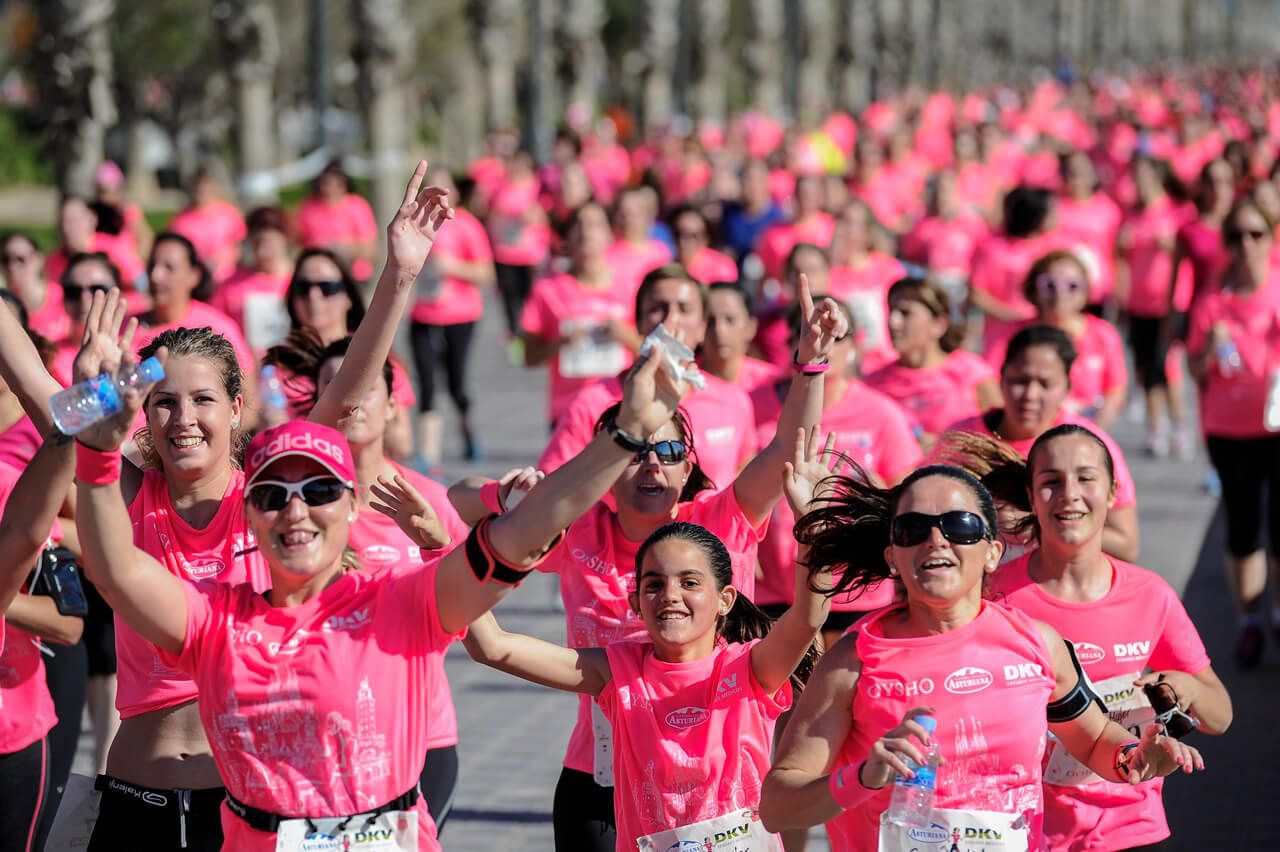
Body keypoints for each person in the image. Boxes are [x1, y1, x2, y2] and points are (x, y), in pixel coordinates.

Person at [74, 285, 697, 851]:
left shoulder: (399, 604)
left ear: (353, 505)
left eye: (319, 490)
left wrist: (625, 435)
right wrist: (97, 440)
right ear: (251, 517)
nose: (296, 510)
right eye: (272, 495)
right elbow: (115, 569)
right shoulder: (219, 623)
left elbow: (524, 529)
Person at [53, 163, 453, 851]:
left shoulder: (269, 497)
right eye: (164, 402)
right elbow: (54, 418)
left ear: (236, 409)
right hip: (135, 800)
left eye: (202, 400)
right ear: (143, 413)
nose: (183, 418)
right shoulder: (129, 493)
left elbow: (343, 400)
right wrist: (89, 394)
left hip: (249, 803)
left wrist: (399, 274)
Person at [459, 276, 844, 851]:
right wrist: (502, 502)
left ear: (689, 468)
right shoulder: (579, 529)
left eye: (668, 452)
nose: (651, 466)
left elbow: (790, 452)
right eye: (636, 451)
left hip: (716, 783)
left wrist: (810, 365)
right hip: (601, 773)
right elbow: (461, 505)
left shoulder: (720, 518)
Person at [758, 464, 1204, 850]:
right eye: (913, 529)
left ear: (992, 552)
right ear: (893, 556)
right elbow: (777, 806)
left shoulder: (1037, 643)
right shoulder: (854, 661)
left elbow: (1092, 740)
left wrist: (1136, 757)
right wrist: (862, 777)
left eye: (960, 526)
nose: (936, 539)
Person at [462, 493, 829, 851]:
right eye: (654, 584)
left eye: (689, 582)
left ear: (725, 600)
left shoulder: (749, 667)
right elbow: (493, 647)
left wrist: (810, 526)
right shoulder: (617, 671)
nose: (670, 594)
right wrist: (447, 553)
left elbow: (808, 617)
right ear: (636, 603)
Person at [965, 424, 1232, 849]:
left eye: (1085, 478)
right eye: (1051, 481)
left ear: (1111, 494)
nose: (1069, 493)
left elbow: (1220, 716)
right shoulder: (992, 597)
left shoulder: (1150, 595)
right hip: (1026, 829)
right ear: (1031, 497)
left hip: (1132, 824)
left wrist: (1185, 687)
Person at [751, 299, 922, 650]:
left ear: (854, 346)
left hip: (857, 588)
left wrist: (879, 495)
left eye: (835, 337)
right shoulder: (753, 405)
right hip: (772, 586)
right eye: (810, 334)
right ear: (791, 345)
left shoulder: (881, 413)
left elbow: (908, 496)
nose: (824, 345)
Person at [537, 265, 758, 493]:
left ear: (702, 327)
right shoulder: (592, 402)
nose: (671, 319)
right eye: (657, 308)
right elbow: (551, 488)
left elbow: (745, 483)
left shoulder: (734, 401)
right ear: (639, 324)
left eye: (684, 309)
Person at [935, 324, 1140, 562]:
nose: (1030, 395)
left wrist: (1039, 524)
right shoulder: (961, 439)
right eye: (1020, 380)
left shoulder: (1089, 446)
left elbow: (1127, 546)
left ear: (1067, 387)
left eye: (1045, 384)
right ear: (1001, 378)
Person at [1186, 198, 1280, 669]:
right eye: (1236, 235)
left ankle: (1277, 613)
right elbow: (1195, 370)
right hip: (1229, 430)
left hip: (1277, 426)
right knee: (1242, 528)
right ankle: (1248, 621)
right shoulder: (1212, 302)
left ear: (1271, 237)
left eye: (1256, 233)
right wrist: (1209, 349)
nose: (1246, 244)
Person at [264, 248, 416, 459]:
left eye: (327, 288)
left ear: (348, 296)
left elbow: (402, 445)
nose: (314, 296)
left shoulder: (376, 358)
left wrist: (360, 414)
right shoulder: (276, 363)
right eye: (303, 288)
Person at [407, 166, 496, 466]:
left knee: (456, 384)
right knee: (427, 384)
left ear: (455, 193)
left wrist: (452, 267)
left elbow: (486, 273)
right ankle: (428, 458)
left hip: (460, 315)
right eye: (431, 188)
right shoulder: (414, 223)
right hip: (423, 315)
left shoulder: (467, 225)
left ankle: (468, 430)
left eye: (444, 189)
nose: (438, 196)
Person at [984, 250, 1129, 430]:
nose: (1060, 293)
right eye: (1049, 285)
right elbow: (989, 383)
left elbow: (1115, 390)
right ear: (1034, 288)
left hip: (1086, 429)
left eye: (1072, 286)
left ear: (1086, 291)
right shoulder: (1015, 334)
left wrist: (1093, 433)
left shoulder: (1103, 334)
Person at [520, 201, 634, 426]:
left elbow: (651, 349)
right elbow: (528, 356)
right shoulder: (547, 289)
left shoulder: (630, 287)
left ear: (610, 234)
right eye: (579, 225)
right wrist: (560, 344)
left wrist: (624, 335)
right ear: (568, 236)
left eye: (595, 224)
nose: (586, 232)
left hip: (620, 411)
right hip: (568, 412)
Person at [865, 276, 1001, 449]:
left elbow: (1003, 440)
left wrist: (946, 446)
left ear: (939, 324)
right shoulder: (873, 383)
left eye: (906, 313)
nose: (893, 323)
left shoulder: (972, 374)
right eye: (891, 312)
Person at [1116, 155, 1194, 458]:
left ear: (1159, 177)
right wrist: (1121, 299)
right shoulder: (1133, 215)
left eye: (1145, 175)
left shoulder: (1178, 212)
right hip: (1139, 304)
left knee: (1168, 367)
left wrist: (1172, 245)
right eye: (1136, 176)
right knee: (1146, 368)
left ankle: (1180, 426)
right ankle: (1155, 428)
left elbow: (1192, 253)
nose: (1139, 181)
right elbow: (1122, 261)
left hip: (1169, 304)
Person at [826, 200, 907, 374]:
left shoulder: (889, 269)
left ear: (867, 233)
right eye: (839, 220)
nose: (841, 229)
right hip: (849, 369)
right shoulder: (828, 275)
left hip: (887, 364)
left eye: (849, 222)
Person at [210, 205, 294, 356]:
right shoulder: (230, 284)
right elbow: (216, 326)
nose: (262, 252)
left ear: (285, 239)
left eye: (268, 243)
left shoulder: (301, 280)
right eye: (256, 243)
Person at [1055, 149, 1123, 313]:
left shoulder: (1108, 209)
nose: (1077, 176)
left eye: (1082, 169)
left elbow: (1118, 254)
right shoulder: (1055, 207)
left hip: (1097, 289)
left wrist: (1119, 293)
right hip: (1061, 289)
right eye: (1071, 171)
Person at [295, 160, 378, 281]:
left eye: (337, 184)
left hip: (354, 276)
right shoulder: (308, 208)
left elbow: (370, 249)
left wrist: (341, 248)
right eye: (326, 183)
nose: (330, 188)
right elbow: (298, 243)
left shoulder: (357, 206)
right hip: (318, 276)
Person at [166, 169, 247, 284]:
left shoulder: (229, 214)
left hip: (228, 278)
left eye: (206, 188)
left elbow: (241, 245)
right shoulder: (180, 220)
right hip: (196, 281)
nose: (203, 192)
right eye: (199, 189)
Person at [699, 281, 779, 392]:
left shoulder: (772, 383)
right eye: (710, 321)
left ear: (751, 327)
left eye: (730, 320)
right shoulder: (683, 380)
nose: (719, 330)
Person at [605, 185, 674, 300]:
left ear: (648, 216)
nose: (628, 218)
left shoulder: (661, 251)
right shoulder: (605, 250)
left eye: (634, 212)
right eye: (622, 212)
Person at [1, 232, 68, 342]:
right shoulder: (3, 307)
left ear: (39, 259)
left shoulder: (65, 297)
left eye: (20, 259)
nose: (12, 266)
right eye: (5, 260)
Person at [671, 206, 738, 284]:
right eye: (677, 233)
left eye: (692, 236)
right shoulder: (664, 261)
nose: (682, 241)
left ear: (705, 239)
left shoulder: (722, 267)